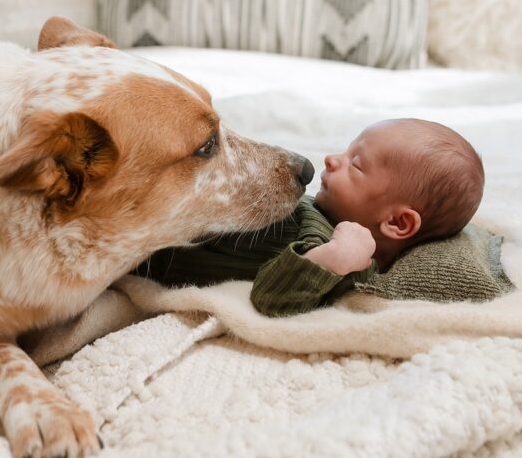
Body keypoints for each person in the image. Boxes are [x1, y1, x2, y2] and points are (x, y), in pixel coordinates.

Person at [133, 118, 485, 317]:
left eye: (356, 164)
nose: (333, 159)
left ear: (397, 223)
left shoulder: (349, 258)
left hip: (153, 253)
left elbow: (273, 297)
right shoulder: (321, 211)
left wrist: (334, 258)